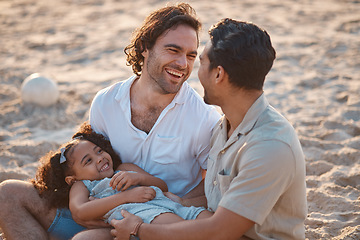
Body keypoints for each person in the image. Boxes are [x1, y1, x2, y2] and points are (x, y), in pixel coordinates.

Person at [0, 2, 221, 240]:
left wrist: (177, 203)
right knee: (8, 194)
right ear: (145, 47)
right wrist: (82, 209)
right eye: (173, 50)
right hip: (100, 213)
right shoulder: (106, 102)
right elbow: (85, 163)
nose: (183, 64)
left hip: (156, 221)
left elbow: (215, 186)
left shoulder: (204, 117)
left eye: (190, 55)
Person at [110, 18, 307, 240]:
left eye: (200, 61)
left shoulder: (269, 146)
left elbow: (220, 231)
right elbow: (216, 197)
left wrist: (139, 230)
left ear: (218, 74)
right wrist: (179, 201)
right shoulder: (225, 126)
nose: (189, 69)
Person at [30, 123, 212, 240]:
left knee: (213, 224)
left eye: (99, 151)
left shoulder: (124, 168)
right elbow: (80, 211)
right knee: (186, 232)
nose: (99, 158)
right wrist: (126, 197)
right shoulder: (82, 185)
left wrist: (139, 177)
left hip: (172, 205)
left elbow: (162, 186)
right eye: (88, 161)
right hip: (147, 218)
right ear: (72, 178)